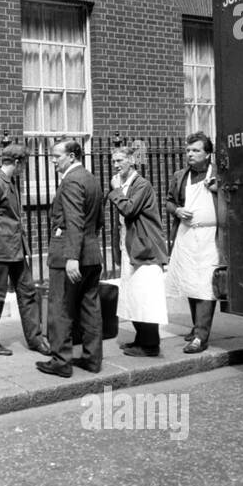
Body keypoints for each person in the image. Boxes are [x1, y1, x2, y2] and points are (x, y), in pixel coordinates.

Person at [36, 138, 104, 378]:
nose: (53, 161)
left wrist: (72, 257)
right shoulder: (91, 178)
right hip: (92, 253)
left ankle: (61, 361)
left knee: (60, 308)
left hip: (69, 254)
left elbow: (74, 220)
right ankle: (92, 359)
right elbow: (98, 220)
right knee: (90, 307)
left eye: (57, 156)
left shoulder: (72, 181)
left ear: (73, 156)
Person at [0, 143, 48, 356]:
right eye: (23, 164)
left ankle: (35, 340)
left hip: (15, 250)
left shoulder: (8, 182)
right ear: (17, 162)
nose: (24, 168)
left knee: (28, 292)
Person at [107, 141, 169, 356]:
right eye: (113, 161)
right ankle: (140, 339)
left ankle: (151, 345)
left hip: (145, 249)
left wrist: (115, 191)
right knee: (132, 295)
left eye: (120, 160)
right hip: (130, 248)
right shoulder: (125, 184)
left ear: (132, 161)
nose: (115, 165)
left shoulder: (141, 184)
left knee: (145, 296)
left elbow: (130, 210)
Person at [165, 131, 221, 353]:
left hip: (211, 236)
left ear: (208, 154)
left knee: (207, 285)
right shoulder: (180, 176)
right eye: (188, 150)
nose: (190, 154)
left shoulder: (219, 174)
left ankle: (201, 337)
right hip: (186, 235)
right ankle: (197, 327)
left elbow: (236, 198)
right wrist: (177, 210)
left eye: (196, 150)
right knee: (190, 282)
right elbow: (169, 202)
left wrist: (219, 189)